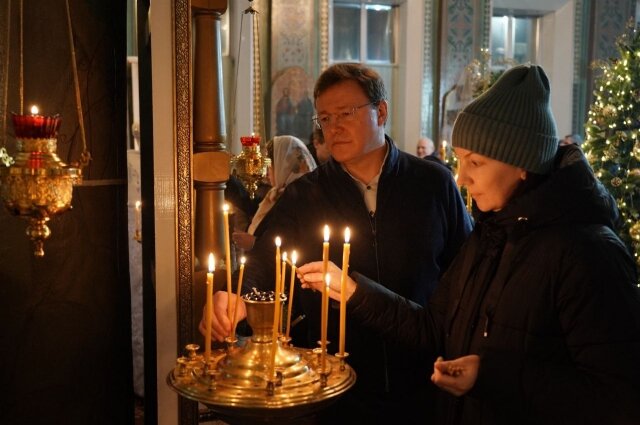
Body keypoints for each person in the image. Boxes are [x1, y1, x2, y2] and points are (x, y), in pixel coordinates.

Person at [297, 64, 640, 425]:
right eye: (460, 160)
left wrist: (491, 375)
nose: (461, 177)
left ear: (522, 164)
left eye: (476, 162)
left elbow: (619, 398)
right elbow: (433, 327)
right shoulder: (490, 236)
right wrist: (353, 290)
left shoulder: (588, 253)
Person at [201, 62, 473, 425]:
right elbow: (266, 261)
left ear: (381, 112)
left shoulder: (432, 184)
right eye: (325, 119)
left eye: (346, 113)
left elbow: (467, 272)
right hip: (338, 384)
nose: (334, 127)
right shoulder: (304, 194)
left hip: (426, 376)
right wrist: (237, 293)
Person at [232, 135, 317, 251]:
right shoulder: (277, 193)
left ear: (284, 166)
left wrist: (254, 244)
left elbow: (295, 245)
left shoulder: (299, 198)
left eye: (270, 166)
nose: (267, 173)